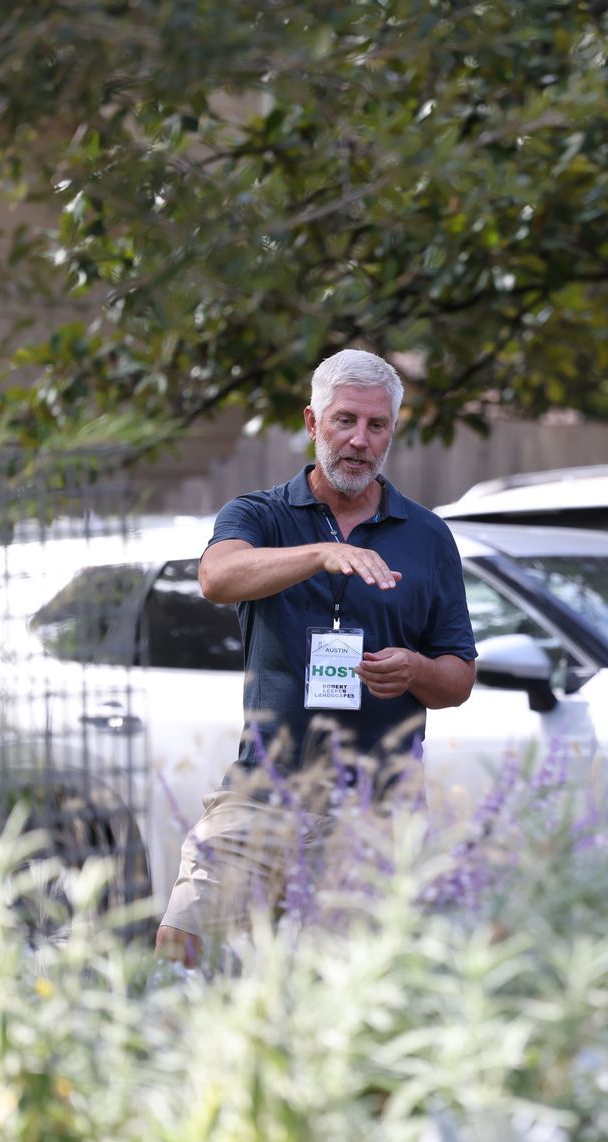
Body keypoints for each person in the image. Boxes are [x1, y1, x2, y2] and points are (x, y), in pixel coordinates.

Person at [155, 350, 478, 964]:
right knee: (182, 942)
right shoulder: (261, 514)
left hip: (376, 807)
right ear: (312, 422)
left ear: (391, 433)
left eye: (376, 426)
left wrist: (415, 670)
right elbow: (216, 578)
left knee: (347, 987)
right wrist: (319, 554)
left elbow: (458, 678)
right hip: (264, 790)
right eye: (345, 420)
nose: (359, 440)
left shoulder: (428, 535)